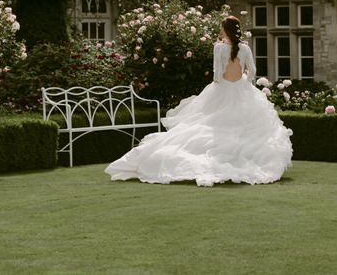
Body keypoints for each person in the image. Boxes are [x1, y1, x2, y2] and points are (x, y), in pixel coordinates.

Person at [105, 15, 293, 186]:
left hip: (222, 88)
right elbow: (251, 70)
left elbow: (216, 73)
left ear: (225, 30)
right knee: (245, 129)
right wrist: (244, 83)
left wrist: (221, 81)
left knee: (209, 125)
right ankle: (247, 161)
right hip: (242, 89)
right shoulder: (244, 48)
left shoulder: (219, 47)